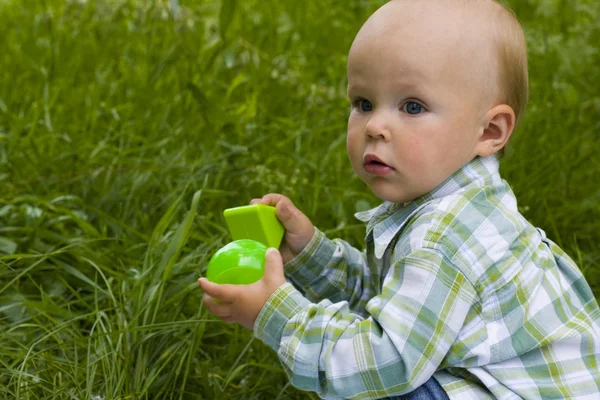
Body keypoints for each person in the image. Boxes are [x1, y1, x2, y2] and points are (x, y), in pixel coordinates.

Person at [198, 0, 600, 398]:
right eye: (363, 103)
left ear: (489, 131)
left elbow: (384, 362)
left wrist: (277, 316)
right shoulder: (449, 199)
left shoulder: (446, 238)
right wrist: (308, 254)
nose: (375, 125)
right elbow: (387, 297)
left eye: (412, 106)